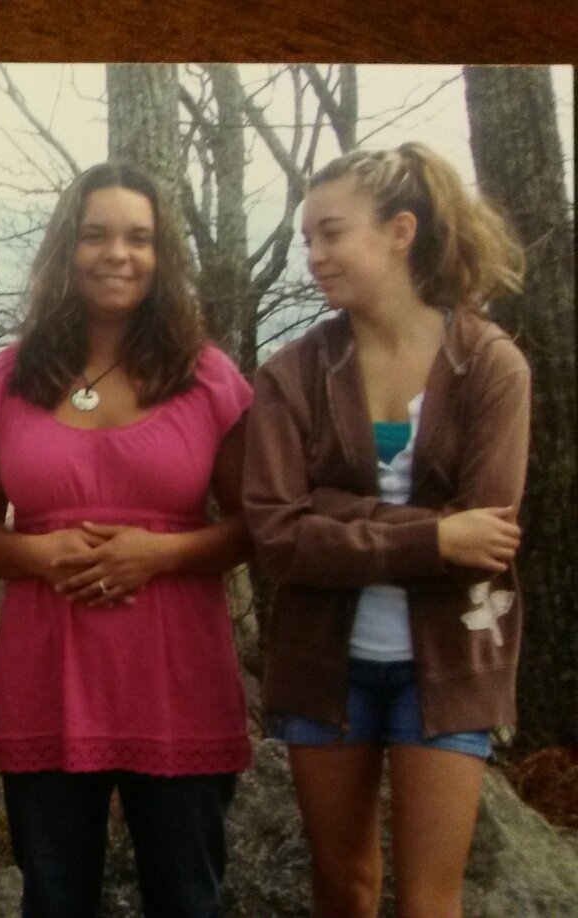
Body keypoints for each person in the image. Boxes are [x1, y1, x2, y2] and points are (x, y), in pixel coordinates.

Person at [0, 162, 253, 918]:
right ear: (67, 249)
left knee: (187, 897)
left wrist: (160, 554)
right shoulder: (7, 379)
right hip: (48, 676)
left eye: (139, 238)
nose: (116, 253)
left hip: (175, 676)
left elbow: (256, 524)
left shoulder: (209, 377)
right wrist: (37, 554)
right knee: (54, 898)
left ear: (163, 255)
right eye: (95, 235)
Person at [244, 142, 529, 918]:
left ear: (400, 231)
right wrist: (432, 538)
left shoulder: (491, 366)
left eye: (331, 233)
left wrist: (332, 513)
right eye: (306, 238)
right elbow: (275, 536)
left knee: (429, 903)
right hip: (323, 663)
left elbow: (490, 539)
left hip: (447, 665)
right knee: (343, 889)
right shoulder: (292, 374)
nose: (314, 255)